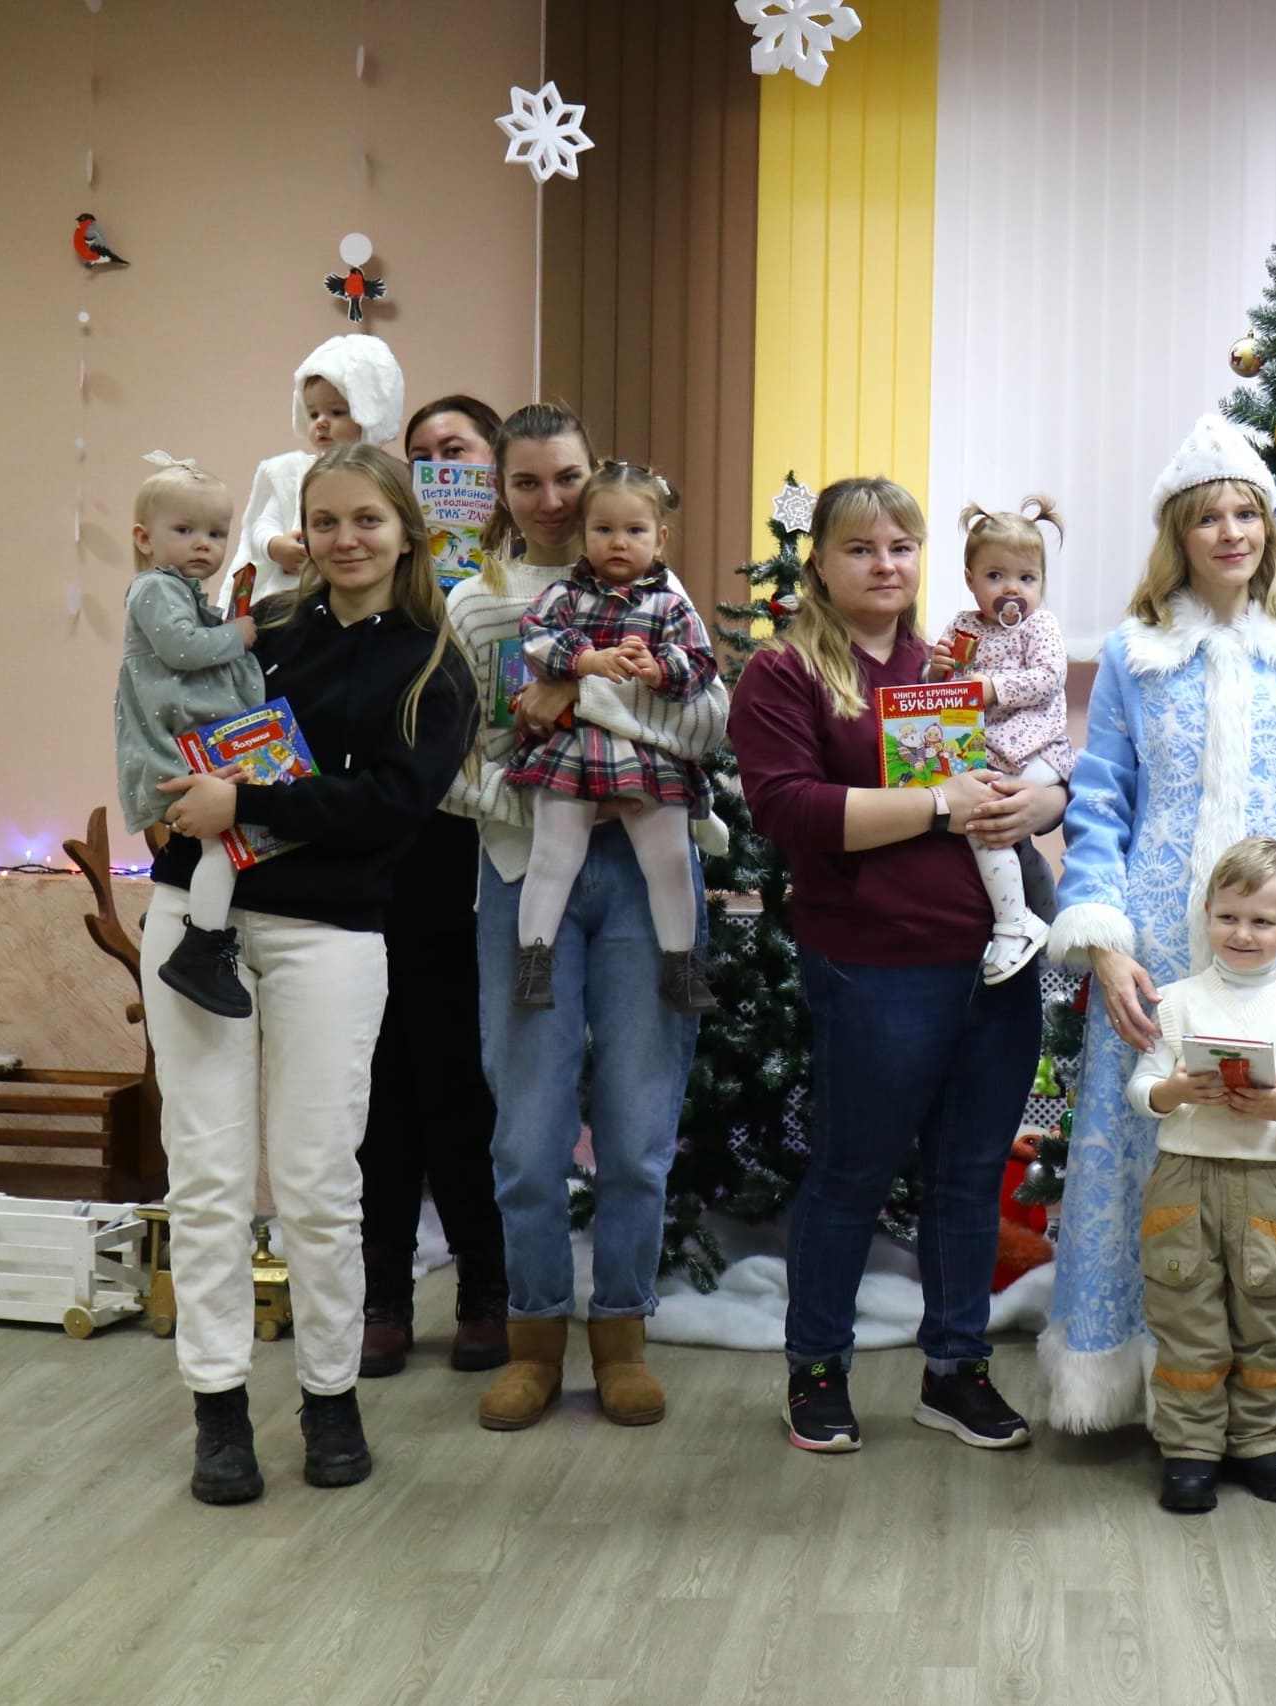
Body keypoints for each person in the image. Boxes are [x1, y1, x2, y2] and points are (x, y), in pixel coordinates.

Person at [1043, 414, 1276, 1443]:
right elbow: (1098, 802)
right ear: (1179, 533)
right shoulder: (1135, 653)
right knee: (1149, 1151)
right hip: (1156, 955)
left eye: (1247, 513)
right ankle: (1148, 1386)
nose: (1231, 531)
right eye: (1209, 517)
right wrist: (1105, 942)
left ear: (1269, 526)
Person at [142, 442, 473, 1505]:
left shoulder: (435, 662)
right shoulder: (263, 629)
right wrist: (167, 786)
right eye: (324, 521)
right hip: (195, 915)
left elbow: (391, 808)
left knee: (321, 1181)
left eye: (366, 519)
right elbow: (169, 713)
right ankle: (218, 1406)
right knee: (206, 1179)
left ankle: (330, 1397)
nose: (344, 540)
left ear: (407, 530)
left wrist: (250, 802)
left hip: (329, 934)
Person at [729, 475, 1066, 1455]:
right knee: (853, 1171)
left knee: (970, 1173)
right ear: (820, 563)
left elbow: (1041, 765)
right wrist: (937, 806)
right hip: (874, 962)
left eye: (902, 547)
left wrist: (1039, 803)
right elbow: (788, 809)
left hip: (994, 958)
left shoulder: (952, 662)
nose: (886, 565)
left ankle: (955, 1370)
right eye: (861, 547)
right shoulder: (785, 673)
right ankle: (817, 1367)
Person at [454, 404, 728, 1433]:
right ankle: (534, 1338)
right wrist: (537, 787)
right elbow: (450, 762)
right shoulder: (479, 606)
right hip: (527, 870)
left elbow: (710, 720)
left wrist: (580, 699)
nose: (553, 500)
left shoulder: (657, 584)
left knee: (637, 1127)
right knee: (527, 1135)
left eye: (567, 477)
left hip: (647, 871)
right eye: (527, 482)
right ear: (501, 490)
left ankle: (621, 1335)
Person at [359, 391, 511, 1380]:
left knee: (460, 1082)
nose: (438, 469)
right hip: (383, 857)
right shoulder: (385, 579)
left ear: (494, 466)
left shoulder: (515, 584)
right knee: (382, 1087)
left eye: (455, 451)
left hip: (479, 852)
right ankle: (383, 1294)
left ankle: (485, 1289)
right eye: (420, 456)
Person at [1126, 837, 1276, 1514]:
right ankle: (1190, 1448)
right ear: (1207, 915)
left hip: (1271, 1185)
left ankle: (1260, 1442)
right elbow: (1143, 1088)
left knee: (1268, 1317)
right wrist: (1175, 1092)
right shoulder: (1177, 1002)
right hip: (1184, 1179)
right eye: (1228, 917)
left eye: (1261, 921)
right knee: (1186, 1315)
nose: (1242, 934)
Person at [507, 462, 718, 1014]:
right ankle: (533, 960)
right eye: (603, 529)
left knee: (669, 855)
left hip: (648, 755)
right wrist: (585, 661)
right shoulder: (565, 595)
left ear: (660, 537)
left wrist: (661, 669)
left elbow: (701, 665)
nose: (618, 542)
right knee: (553, 852)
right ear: (583, 534)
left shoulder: (670, 603)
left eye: (634, 530)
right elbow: (533, 637)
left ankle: (681, 964)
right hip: (572, 748)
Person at [115, 452, 262, 1018]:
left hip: (192, 745)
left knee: (226, 845)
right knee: (223, 844)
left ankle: (190, 921)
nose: (204, 544)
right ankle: (200, 944)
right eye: (185, 530)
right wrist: (237, 634)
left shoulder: (185, 593)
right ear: (144, 538)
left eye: (217, 534)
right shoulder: (154, 589)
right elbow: (182, 649)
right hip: (171, 752)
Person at [924, 495, 1075, 983]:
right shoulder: (963, 626)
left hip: (1037, 750)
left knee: (986, 821)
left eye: (1026, 578)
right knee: (1005, 835)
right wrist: (936, 673)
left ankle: (1014, 924)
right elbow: (945, 696)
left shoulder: (1040, 625)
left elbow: (1048, 678)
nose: (1012, 589)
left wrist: (992, 687)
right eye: (996, 576)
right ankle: (1042, 914)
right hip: (986, 751)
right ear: (970, 580)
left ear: (1041, 583)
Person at [219, 334, 407, 613]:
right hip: (291, 601)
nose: (321, 423)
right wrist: (275, 546)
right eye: (313, 414)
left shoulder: (390, 478)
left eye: (337, 412)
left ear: (372, 413)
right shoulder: (292, 474)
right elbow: (261, 526)